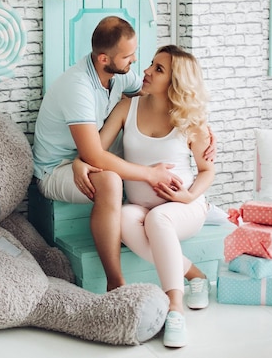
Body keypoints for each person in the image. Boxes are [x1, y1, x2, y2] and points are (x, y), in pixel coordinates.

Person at [32, 16, 215, 292]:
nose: (137, 63)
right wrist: (149, 174)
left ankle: (189, 249)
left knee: (128, 139)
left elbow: (164, 96)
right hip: (56, 168)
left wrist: (201, 127)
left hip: (85, 155)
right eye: (128, 56)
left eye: (137, 54)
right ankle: (115, 281)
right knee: (111, 181)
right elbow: (94, 153)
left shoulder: (120, 75)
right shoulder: (77, 87)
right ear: (105, 59)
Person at [74, 45, 214, 348]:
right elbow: (95, 150)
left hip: (183, 210)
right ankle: (194, 274)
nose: (147, 71)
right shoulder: (128, 107)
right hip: (140, 207)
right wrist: (78, 162)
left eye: (158, 69)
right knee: (124, 217)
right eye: (152, 64)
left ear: (175, 82)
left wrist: (188, 198)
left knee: (159, 218)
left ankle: (174, 307)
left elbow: (207, 171)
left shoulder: (190, 121)